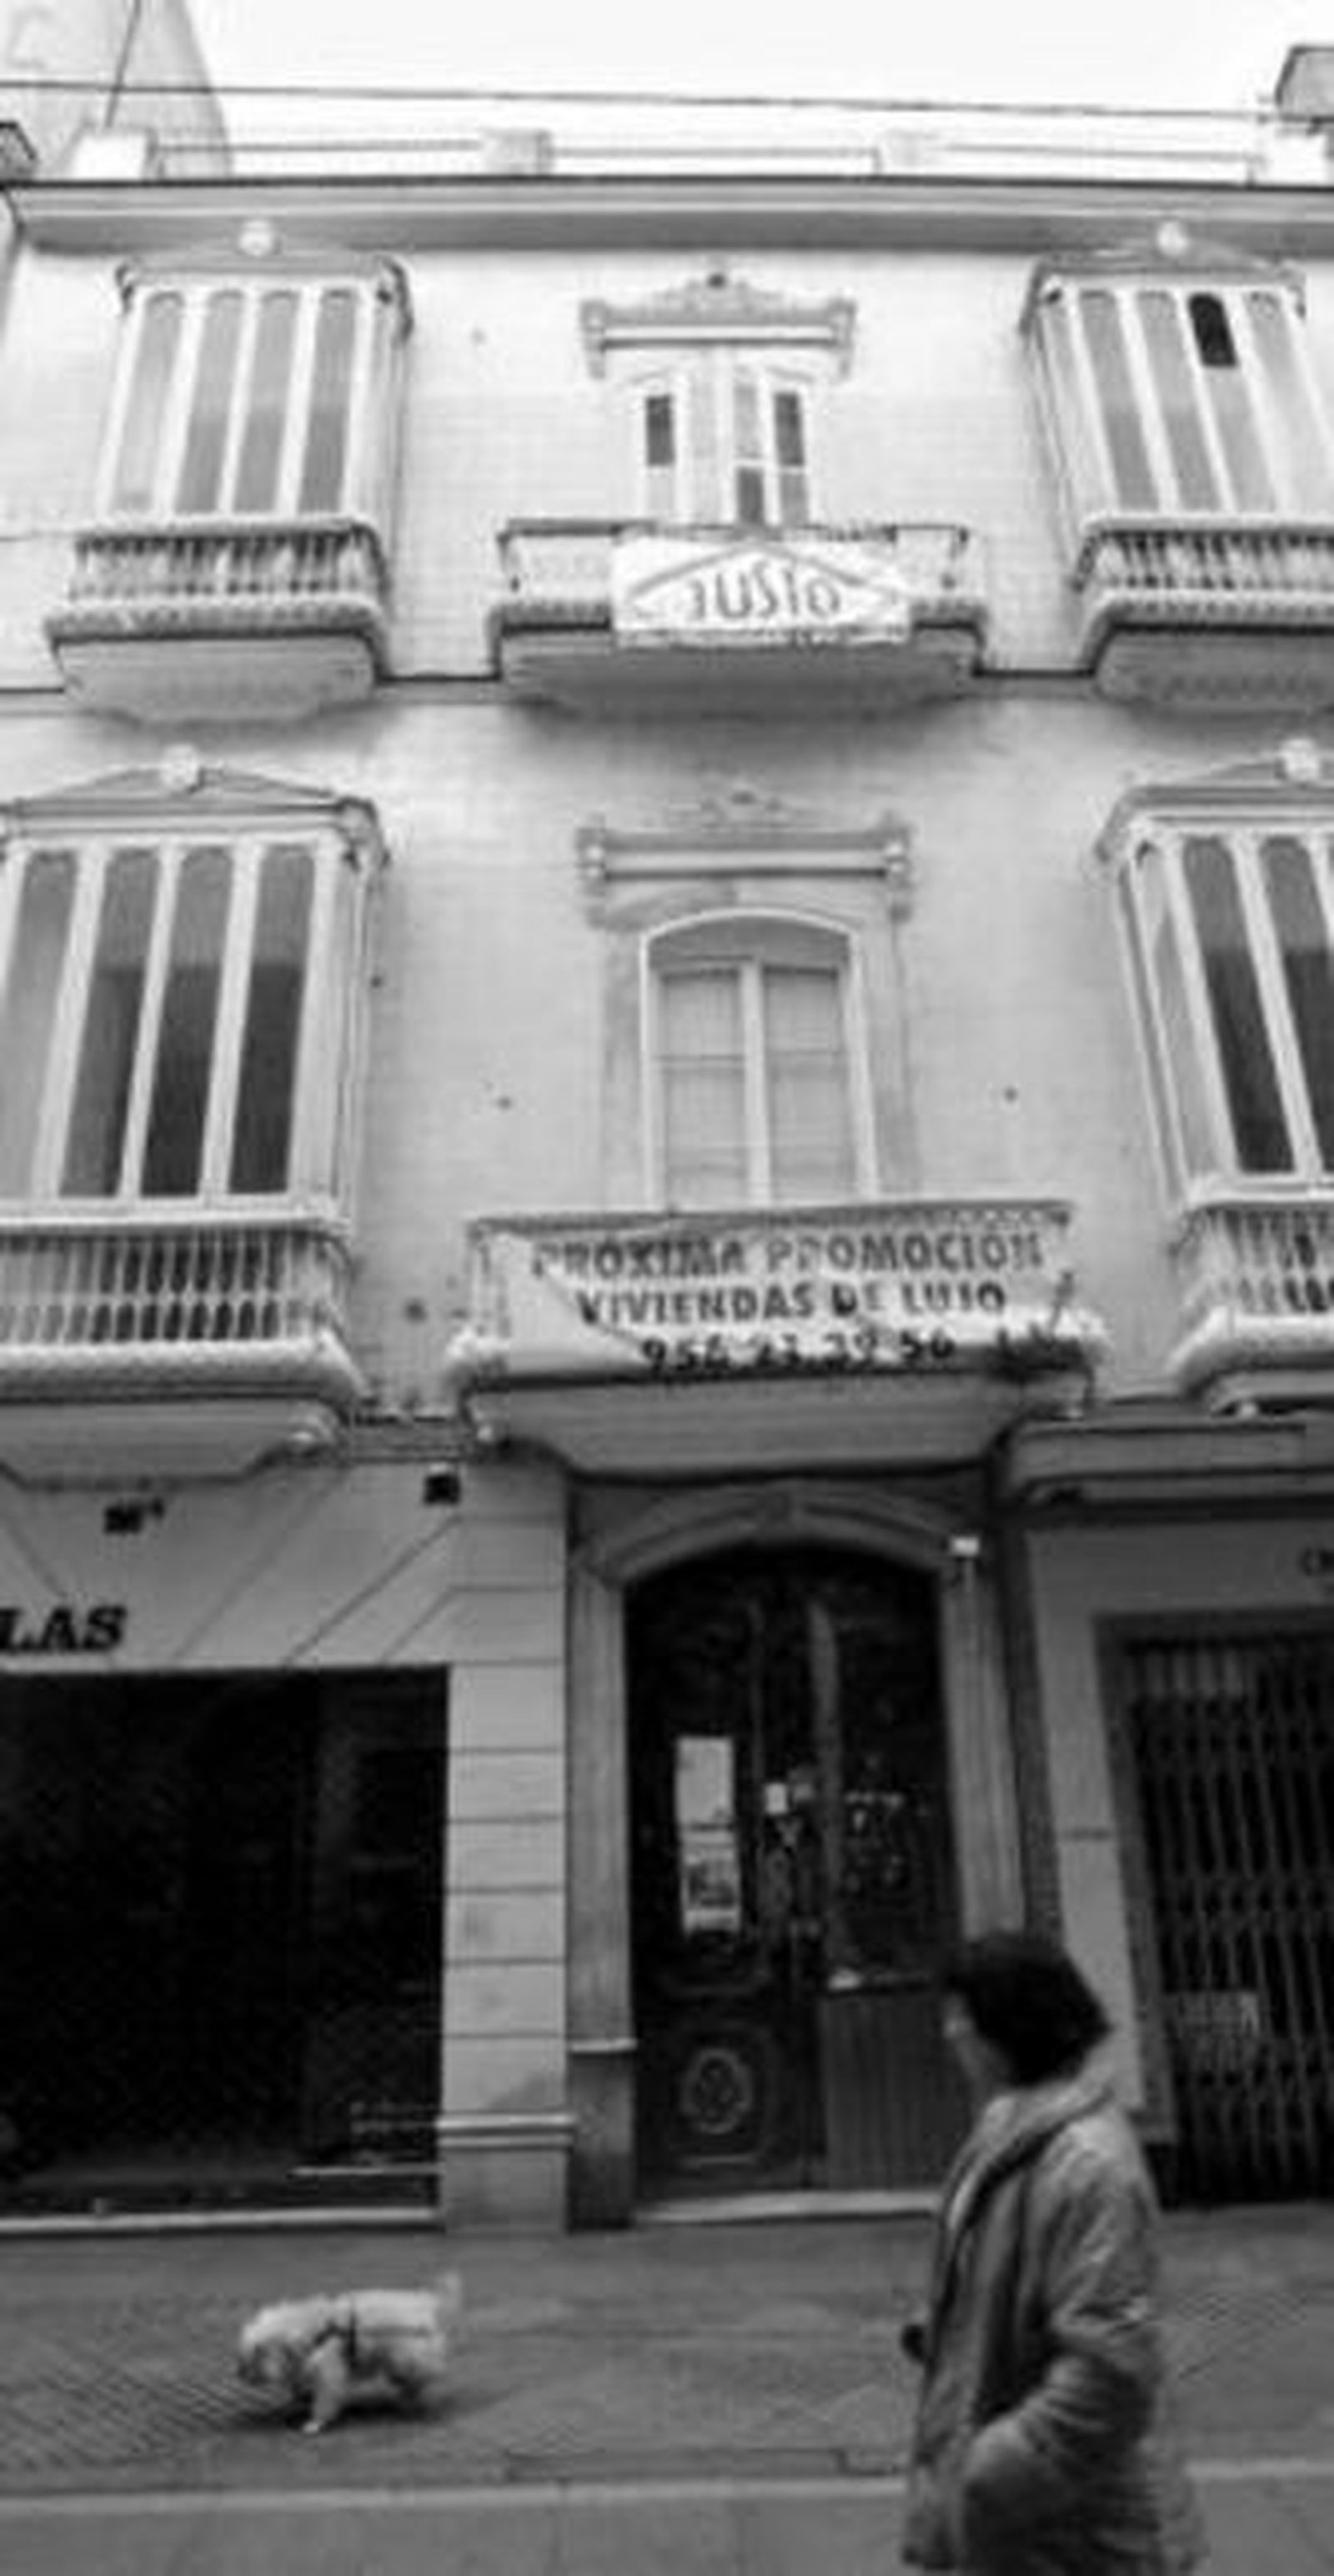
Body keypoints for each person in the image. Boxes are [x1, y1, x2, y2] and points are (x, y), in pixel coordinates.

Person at [900, 1929, 1206, 2575]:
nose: (950, 2034)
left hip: (1079, 2531)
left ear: (1005, 2027)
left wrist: (988, 2472)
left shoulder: (1087, 2164)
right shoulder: (1010, 2129)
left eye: (961, 2017)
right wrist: (956, 2322)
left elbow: (1111, 2370)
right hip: (1032, 2528)